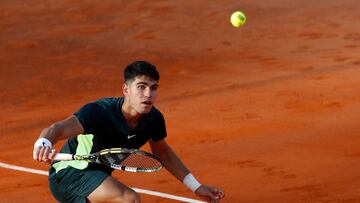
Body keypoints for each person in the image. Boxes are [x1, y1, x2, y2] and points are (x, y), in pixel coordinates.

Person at [33, 61, 225, 203]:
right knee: (130, 199)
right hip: (69, 174)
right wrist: (44, 142)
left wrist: (196, 186)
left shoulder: (153, 119)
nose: (148, 94)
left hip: (98, 177)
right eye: (141, 87)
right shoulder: (99, 112)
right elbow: (57, 129)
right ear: (125, 89)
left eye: (153, 88)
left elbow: (162, 152)